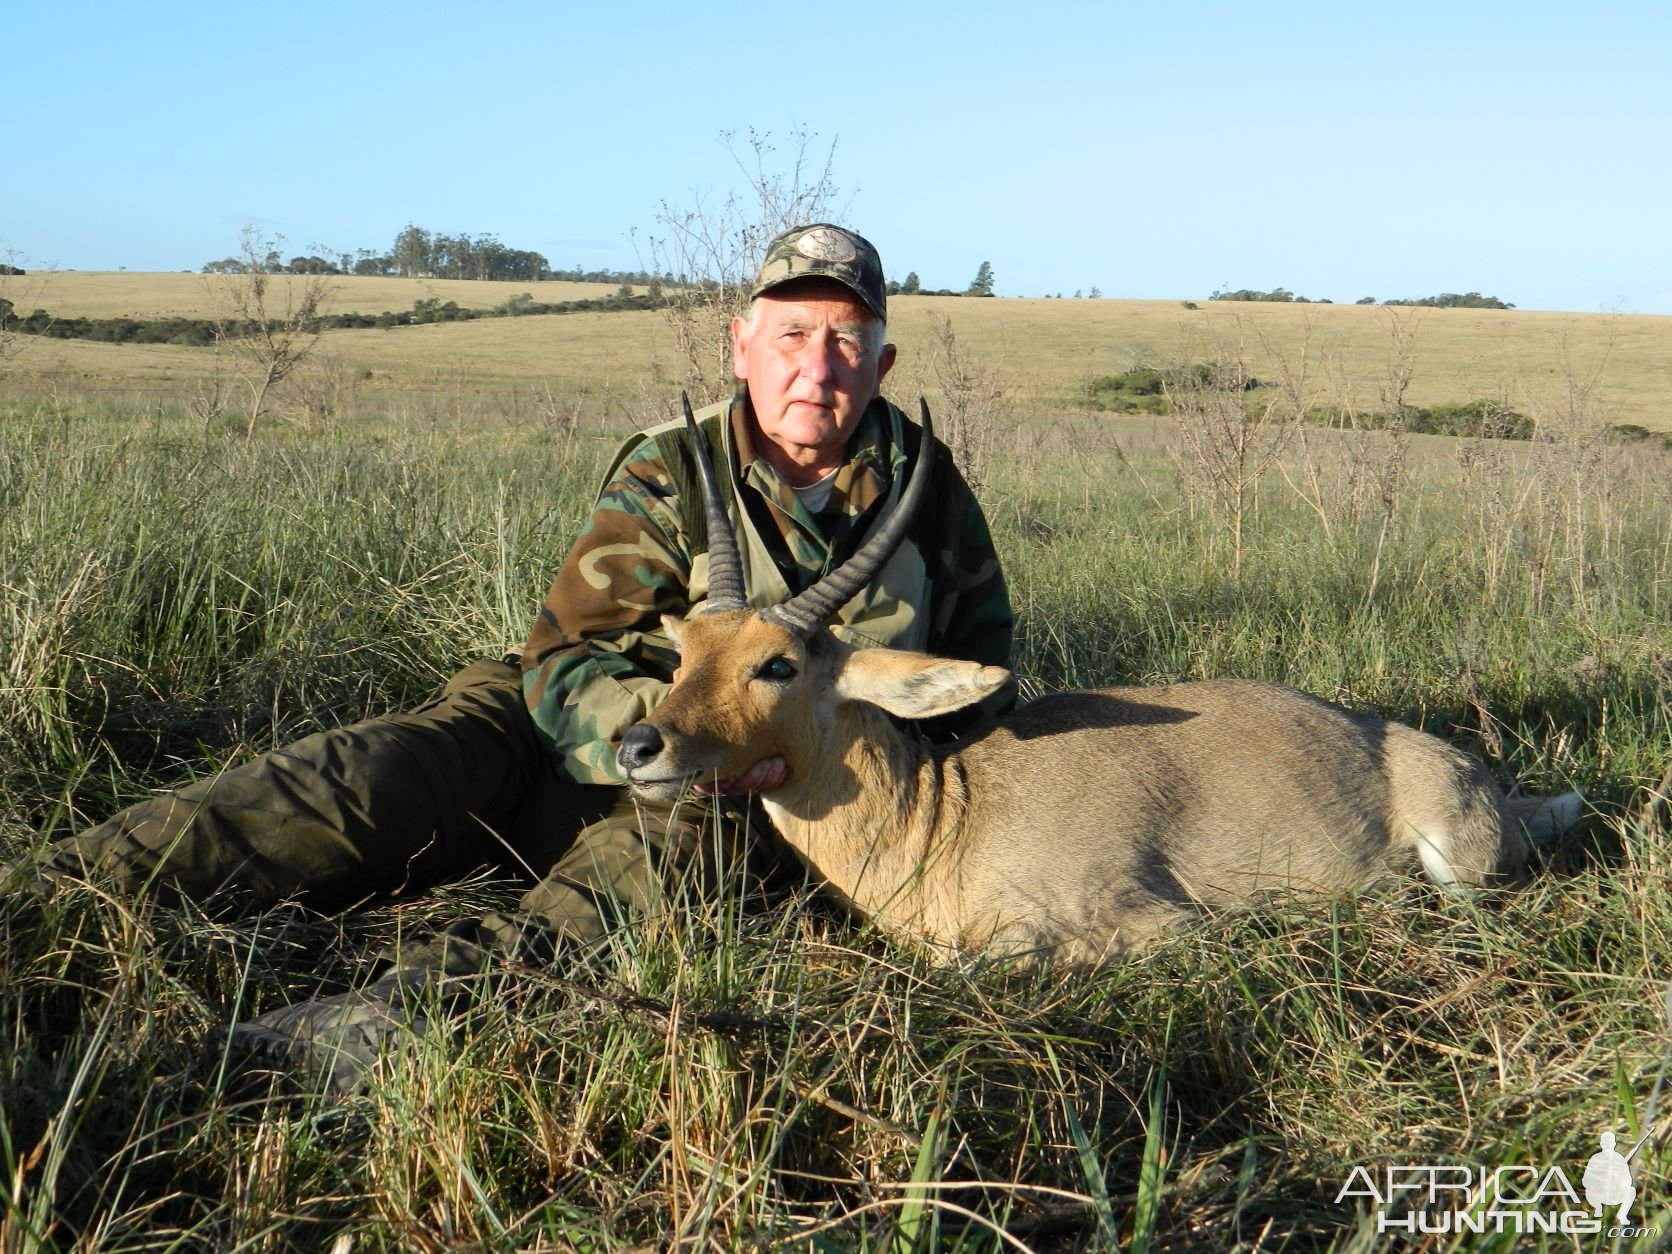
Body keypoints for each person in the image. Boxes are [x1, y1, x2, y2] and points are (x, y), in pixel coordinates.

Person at [24, 223, 1014, 1090]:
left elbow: (977, 697)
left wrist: (817, 759)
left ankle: (293, 1058)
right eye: (792, 334)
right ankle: (44, 903)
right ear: (744, 344)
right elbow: (564, 660)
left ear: (881, 365)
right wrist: (661, 730)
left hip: (743, 796)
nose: (818, 366)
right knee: (367, 777)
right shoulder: (670, 463)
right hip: (564, 731)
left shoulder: (930, 497)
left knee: (622, 896)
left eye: (847, 340)